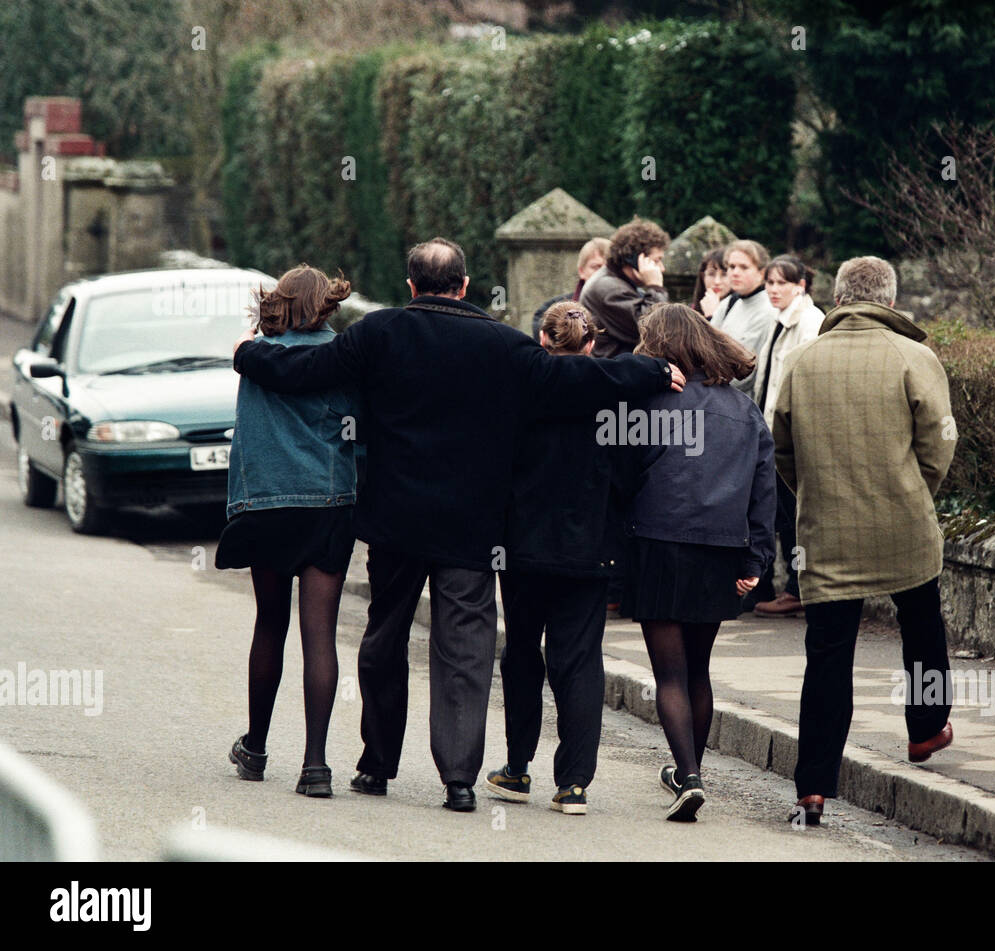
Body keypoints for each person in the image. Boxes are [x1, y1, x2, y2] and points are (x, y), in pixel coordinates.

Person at [233, 238, 685, 813]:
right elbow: (578, 382)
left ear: (411, 285)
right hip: (473, 529)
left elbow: (308, 369)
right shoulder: (504, 344)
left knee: (383, 642)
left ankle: (376, 767)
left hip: (394, 523)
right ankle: (460, 779)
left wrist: (249, 354)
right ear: (466, 286)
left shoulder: (378, 332)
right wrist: (649, 370)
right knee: (464, 651)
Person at [773, 256, 956, 826]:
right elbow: (939, 441)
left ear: (838, 296)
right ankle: (925, 730)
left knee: (828, 656)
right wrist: (912, 490)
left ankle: (814, 788)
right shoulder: (915, 357)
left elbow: (781, 444)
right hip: (904, 525)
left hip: (827, 532)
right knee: (922, 627)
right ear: (890, 300)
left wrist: (814, 491)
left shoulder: (803, 360)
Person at [623, 303, 776, 821]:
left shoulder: (644, 403)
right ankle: (692, 772)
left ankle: (687, 775)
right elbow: (764, 492)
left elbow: (622, 479)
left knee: (669, 672)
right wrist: (757, 558)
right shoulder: (744, 410)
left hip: (658, 542)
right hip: (721, 548)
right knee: (699, 670)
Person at [484, 301, 628, 816]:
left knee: (522, 651)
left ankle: (517, 768)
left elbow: (496, 464)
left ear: (543, 340)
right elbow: (629, 474)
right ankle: (572, 784)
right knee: (580, 662)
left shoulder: (518, 392)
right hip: (589, 548)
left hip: (524, 547)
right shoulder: (615, 394)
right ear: (591, 344)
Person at [221, 265, 358, 799]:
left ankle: (255, 747)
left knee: (270, 624)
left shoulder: (256, 358)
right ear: (327, 302)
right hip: (327, 504)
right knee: (319, 633)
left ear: (279, 302)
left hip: (267, 505)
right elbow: (359, 436)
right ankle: (316, 766)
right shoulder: (345, 359)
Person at [750, 254, 825, 618]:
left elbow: (806, 384)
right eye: (769, 283)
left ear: (801, 286)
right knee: (781, 515)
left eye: (782, 283)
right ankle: (794, 587)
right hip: (773, 436)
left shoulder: (810, 322)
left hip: (793, 439)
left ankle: (799, 588)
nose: (774, 289)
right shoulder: (780, 320)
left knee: (795, 517)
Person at [579, 218, 670, 358]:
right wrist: (656, 287)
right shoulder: (608, 288)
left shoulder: (616, 281)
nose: (662, 268)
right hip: (613, 374)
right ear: (635, 260)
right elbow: (655, 328)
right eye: (657, 260)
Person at [709, 240, 778, 399]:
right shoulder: (730, 302)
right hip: (716, 393)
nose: (735, 272)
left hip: (742, 402)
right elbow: (705, 346)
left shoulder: (769, 310)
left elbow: (746, 370)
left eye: (744, 267)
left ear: (761, 273)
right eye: (732, 267)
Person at [530, 237, 610, 341]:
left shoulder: (632, 303)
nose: (602, 274)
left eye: (608, 268)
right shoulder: (548, 310)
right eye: (596, 267)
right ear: (581, 271)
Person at [690, 248, 729, 318]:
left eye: (724, 274)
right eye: (711, 274)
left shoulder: (741, 310)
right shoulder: (691, 312)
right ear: (703, 276)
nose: (717, 281)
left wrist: (712, 316)